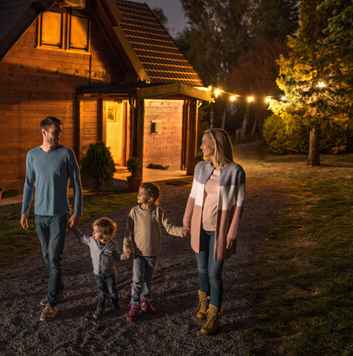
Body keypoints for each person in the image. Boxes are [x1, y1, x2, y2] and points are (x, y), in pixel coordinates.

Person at [182, 128, 246, 335]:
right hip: (199, 228)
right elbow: (192, 197)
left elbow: (239, 204)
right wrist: (186, 222)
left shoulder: (236, 171)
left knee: (214, 273)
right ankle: (203, 302)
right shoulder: (201, 168)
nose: (201, 146)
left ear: (216, 144)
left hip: (219, 232)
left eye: (204, 142)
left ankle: (214, 316)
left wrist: (232, 233)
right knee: (201, 270)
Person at [21, 116, 83, 321]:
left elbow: (77, 183)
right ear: (44, 132)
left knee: (54, 258)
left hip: (59, 215)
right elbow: (29, 184)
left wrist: (76, 212)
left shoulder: (66, 154)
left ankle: (51, 303)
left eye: (60, 131)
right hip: (40, 216)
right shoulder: (32, 155)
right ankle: (59, 291)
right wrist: (24, 211)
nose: (59, 135)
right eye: (56, 131)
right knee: (48, 258)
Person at [123, 182, 183, 323]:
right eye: (139, 192)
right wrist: (126, 248)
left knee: (147, 279)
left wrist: (182, 231)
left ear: (150, 198)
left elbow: (169, 227)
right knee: (137, 280)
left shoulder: (158, 211)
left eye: (141, 193)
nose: (138, 195)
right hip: (138, 253)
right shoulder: (134, 212)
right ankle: (134, 305)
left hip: (152, 253)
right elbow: (128, 232)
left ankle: (145, 301)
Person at [72, 217, 124, 319]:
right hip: (98, 275)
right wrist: (74, 229)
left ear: (104, 233)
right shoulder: (92, 241)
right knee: (101, 293)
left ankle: (116, 304)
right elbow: (82, 238)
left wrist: (124, 256)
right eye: (93, 231)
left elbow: (117, 257)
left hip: (109, 274)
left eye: (96, 231)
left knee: (112, 291)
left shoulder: (112, 245)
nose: (93, 233)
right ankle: (100, 307)